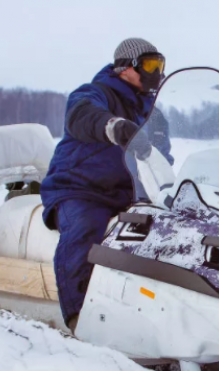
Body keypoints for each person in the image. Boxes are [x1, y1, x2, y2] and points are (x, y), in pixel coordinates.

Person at [41, 38, 170, 333]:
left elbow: (162, 159)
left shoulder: (156, 115)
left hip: (130, 193)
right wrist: (113, 126)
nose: (157, 73)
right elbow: (82, 116)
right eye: (150, 64)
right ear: (125, 67)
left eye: (160, 65)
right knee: (86, 229)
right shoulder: (94, 94)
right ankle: (80, 319)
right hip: (80, 188)